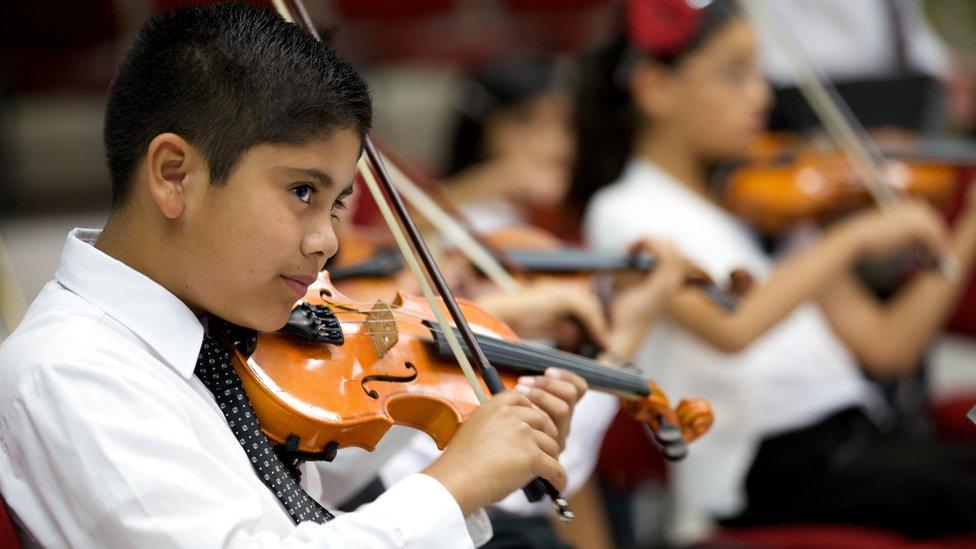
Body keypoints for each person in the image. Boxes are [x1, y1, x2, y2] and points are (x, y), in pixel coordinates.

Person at [0, 4, 590, 547]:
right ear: (174, 174)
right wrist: (452, 484)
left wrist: (460, 416)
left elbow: (283, 500)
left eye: (337, 204)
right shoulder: (70, 370)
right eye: (302, 191)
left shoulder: (210, 326)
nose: (327, 240)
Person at [575, 0, 976, 540]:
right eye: (734, 75)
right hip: (766, 466)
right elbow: (734, 328)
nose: (761, 96)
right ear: (656, 88)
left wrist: (968, 227)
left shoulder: (771, 206)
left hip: (858, 438)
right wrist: (850, 238)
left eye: (760, 73)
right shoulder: (623, 212)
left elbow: (889, 347)